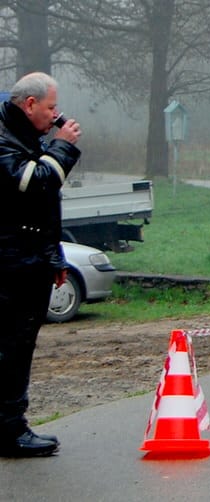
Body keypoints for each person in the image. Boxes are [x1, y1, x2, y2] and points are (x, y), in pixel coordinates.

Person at [0, 72, 82, 457]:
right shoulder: (4, 139)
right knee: (12, 346)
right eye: (50, 108)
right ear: (29, 104)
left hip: (28, 257)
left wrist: (54, 256)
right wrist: (61, 147)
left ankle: (12, 424)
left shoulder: (27, 137)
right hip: (10, 262)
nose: (56, 115)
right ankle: (10, 430)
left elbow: (44, 208)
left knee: (20, 344)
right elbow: (35, 184)